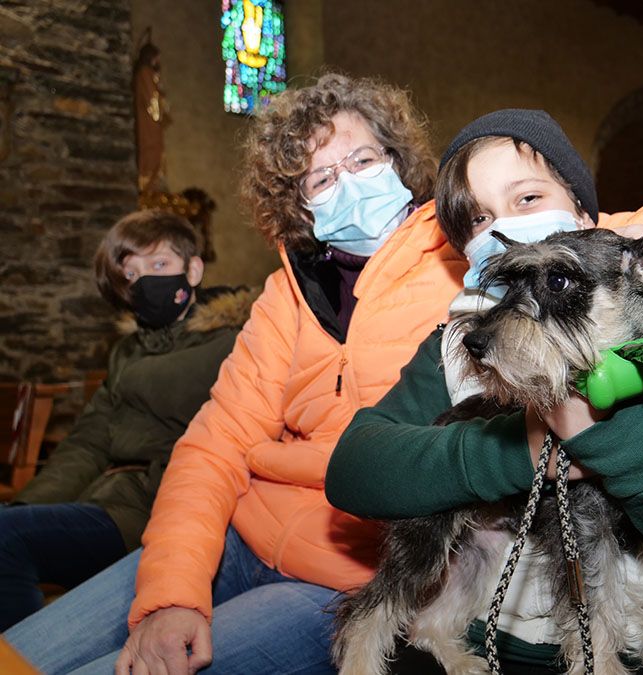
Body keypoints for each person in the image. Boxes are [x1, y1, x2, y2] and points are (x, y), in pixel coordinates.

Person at [4, 73, 466, 674]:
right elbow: (214, 442)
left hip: (346, 578)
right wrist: (172, 591)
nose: (348, 184)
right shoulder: (287, 293)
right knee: (20, 654)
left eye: (362, 160)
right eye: (322, 179)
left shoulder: (461, 266)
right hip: (237, 537)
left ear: (398, 163)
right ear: (300, 205)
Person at [326, 109, 643, 675]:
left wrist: (626, 444)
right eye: (479, 218)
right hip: (507, 636)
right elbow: (351, 469)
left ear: (581, 210)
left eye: (527, 198)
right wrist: (516, 452)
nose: (506, 226)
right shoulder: (464, 341)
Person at [0, 209, 252, 632]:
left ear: (192, 271)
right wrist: (28, 506)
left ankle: (20, 656)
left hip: (156, 508)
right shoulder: (126, 352)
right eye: (131, 274)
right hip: (106, 502)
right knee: (10, 528)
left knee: (7, 537)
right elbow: (89, 441)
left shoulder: (235, 342)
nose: (144, 281)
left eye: (159, 264)